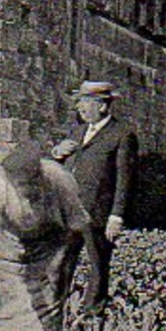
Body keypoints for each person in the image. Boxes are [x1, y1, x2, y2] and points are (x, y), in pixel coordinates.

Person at [0, 141, 91, 331]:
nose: (28, 190)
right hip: (2, 255)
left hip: (46, 253)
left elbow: (78, 227)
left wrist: (60, 268)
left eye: (32, 183)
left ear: (40, 176)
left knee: (41, 328)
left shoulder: (60, 181)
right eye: (21, 185)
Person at [50, 80, 139, 316]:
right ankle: (55, 311)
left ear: (101, 106)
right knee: (61, 262)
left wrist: (116, 215)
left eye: (84, 102)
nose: (79, 107)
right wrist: (57, 153)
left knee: (98, 265)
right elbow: (65, 163)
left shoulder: (122, 135)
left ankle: (92, 314)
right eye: (79, 102)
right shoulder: (77, 132)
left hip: (97, 213)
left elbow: (124, 179)